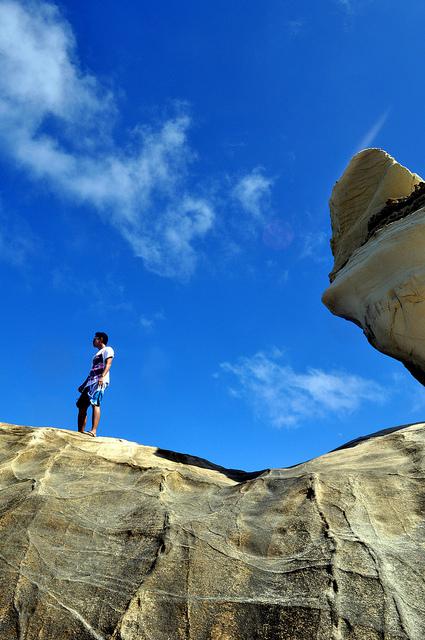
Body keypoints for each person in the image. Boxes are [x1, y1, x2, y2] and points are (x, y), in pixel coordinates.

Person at [76, 332, 115, 437]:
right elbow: (92, 371)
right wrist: (83, 384)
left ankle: (93, 431)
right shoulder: (96, 355)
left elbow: (108, 364)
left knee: (95, 402)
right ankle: (80, 432)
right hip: (91, 381)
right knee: (81, 405)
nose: (93, 340)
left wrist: (102, 376)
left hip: (100, 381)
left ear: (101, 339)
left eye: (95, 338)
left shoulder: (108, 349)